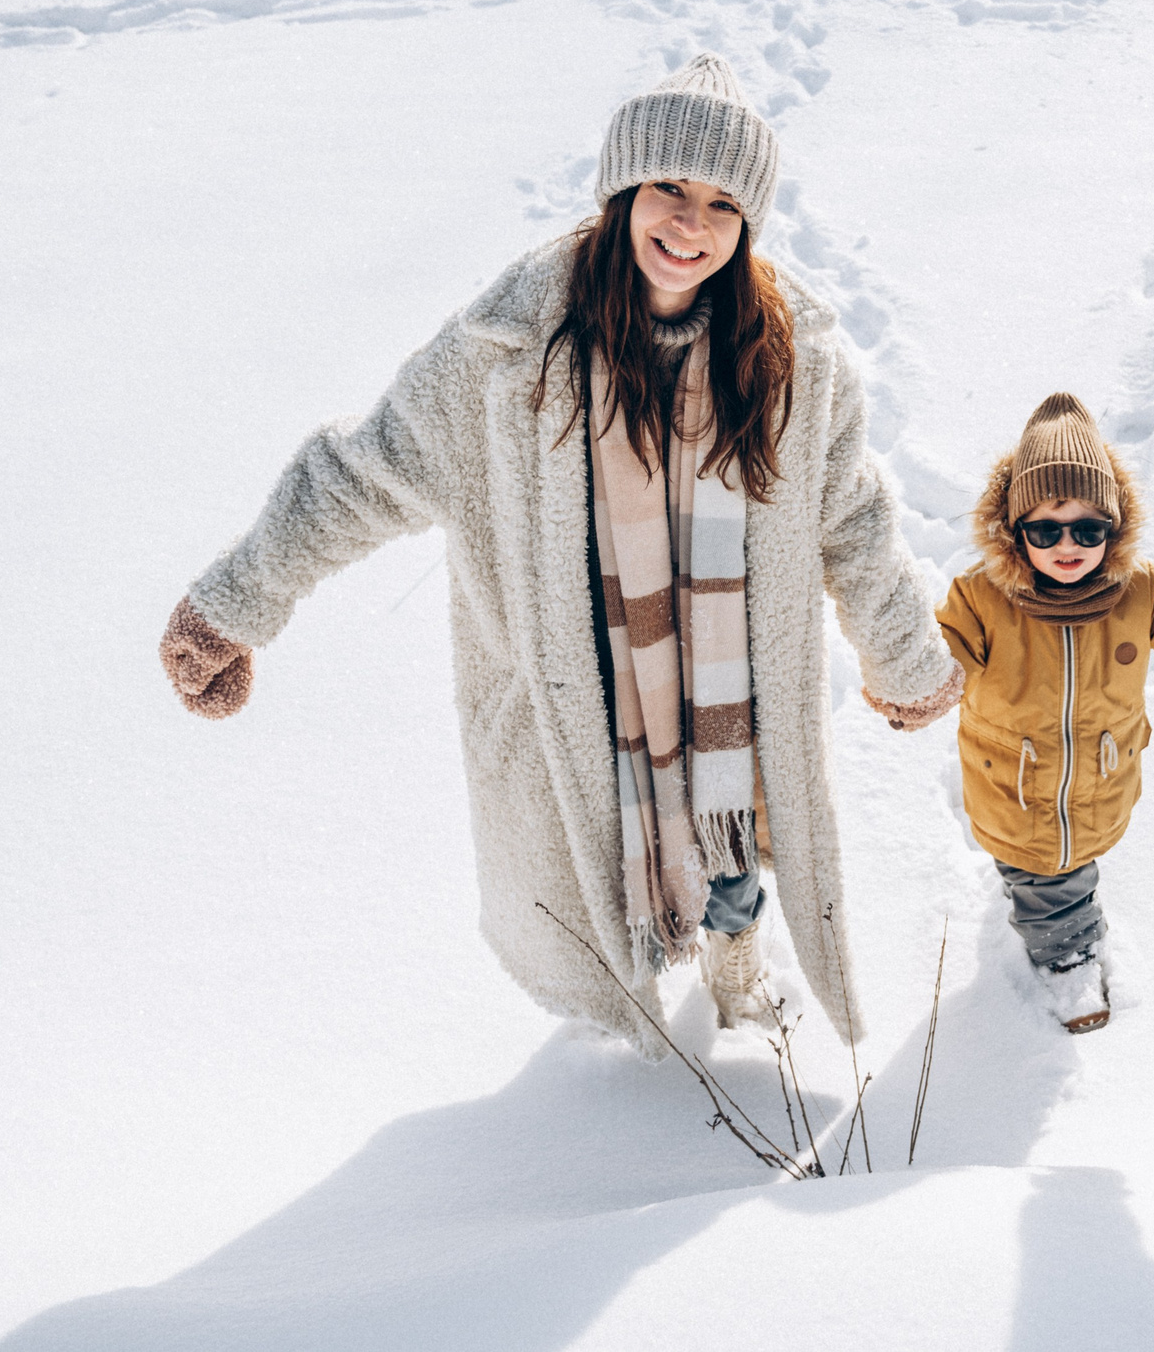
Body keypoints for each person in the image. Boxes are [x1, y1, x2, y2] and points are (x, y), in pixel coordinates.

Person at [157, 54, 963, 1052]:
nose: (690, 223)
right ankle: (619, 1063)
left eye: (721, 202)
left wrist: (905, 657)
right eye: (668, 186)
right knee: (593, 887)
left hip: (727, 693)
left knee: (734, 855)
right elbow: (364, 471)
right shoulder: (508, 352)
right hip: (580, 702)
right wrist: (234, 602)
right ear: (622, 192)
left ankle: (739, 973)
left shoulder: (792, 359)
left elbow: (852, 516)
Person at [907, 393, 1154, 1032]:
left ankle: (1050, 901)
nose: (1068, 545)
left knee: (1070, 857)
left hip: (1101, 778)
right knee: (1046, 879)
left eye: (1088, 529)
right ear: (1016, 532)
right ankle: (1066, 959)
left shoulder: (1141, 590)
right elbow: (941, 653)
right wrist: (911, 678)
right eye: (1045, 530)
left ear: (1112, 529)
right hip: (1012, 785)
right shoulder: (982, 597)